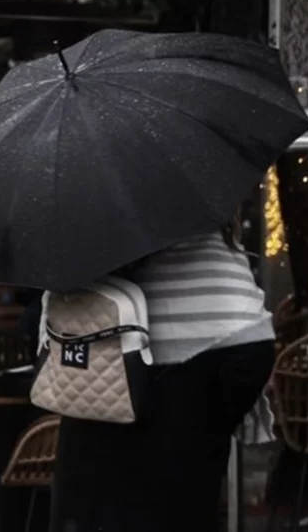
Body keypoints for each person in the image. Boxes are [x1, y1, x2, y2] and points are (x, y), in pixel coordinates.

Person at [49, 217, 276, 532]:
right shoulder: (194, 213)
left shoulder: (107, 219)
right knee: (180, 494)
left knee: (115, 500)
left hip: (135, 364)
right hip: (222, 346)